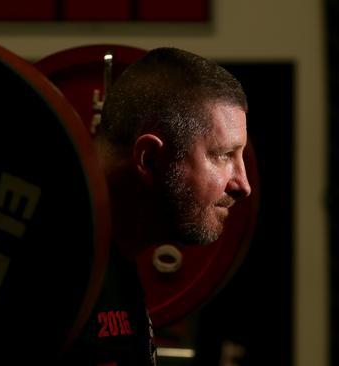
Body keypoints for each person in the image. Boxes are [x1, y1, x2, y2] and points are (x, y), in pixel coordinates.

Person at [60, 47, 252, 365]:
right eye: (223, 155)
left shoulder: (116, 264)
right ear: (149, 159)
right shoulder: (53, 272)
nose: (243, 185)